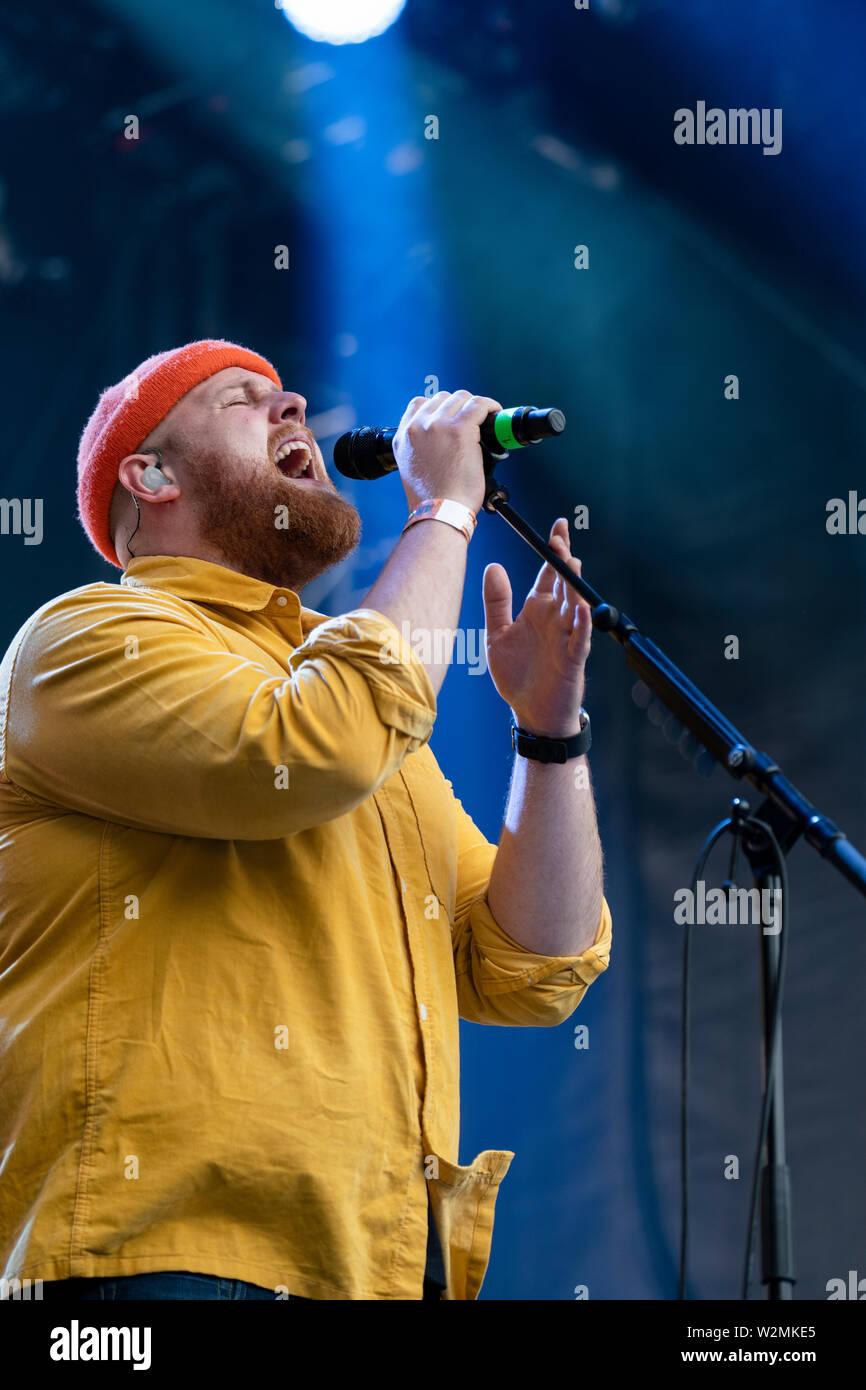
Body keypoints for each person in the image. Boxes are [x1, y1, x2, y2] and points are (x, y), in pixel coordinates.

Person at [0, 339, 612, 1301]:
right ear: (151, 473)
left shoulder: (355, 705)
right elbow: (311, 750)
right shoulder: (87, 639)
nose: (292, 404)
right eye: (247, 399)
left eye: (287, 392)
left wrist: (548, 733)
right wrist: (443, 510)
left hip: (374, 1270)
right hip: (167, 1260)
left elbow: (533, 964)